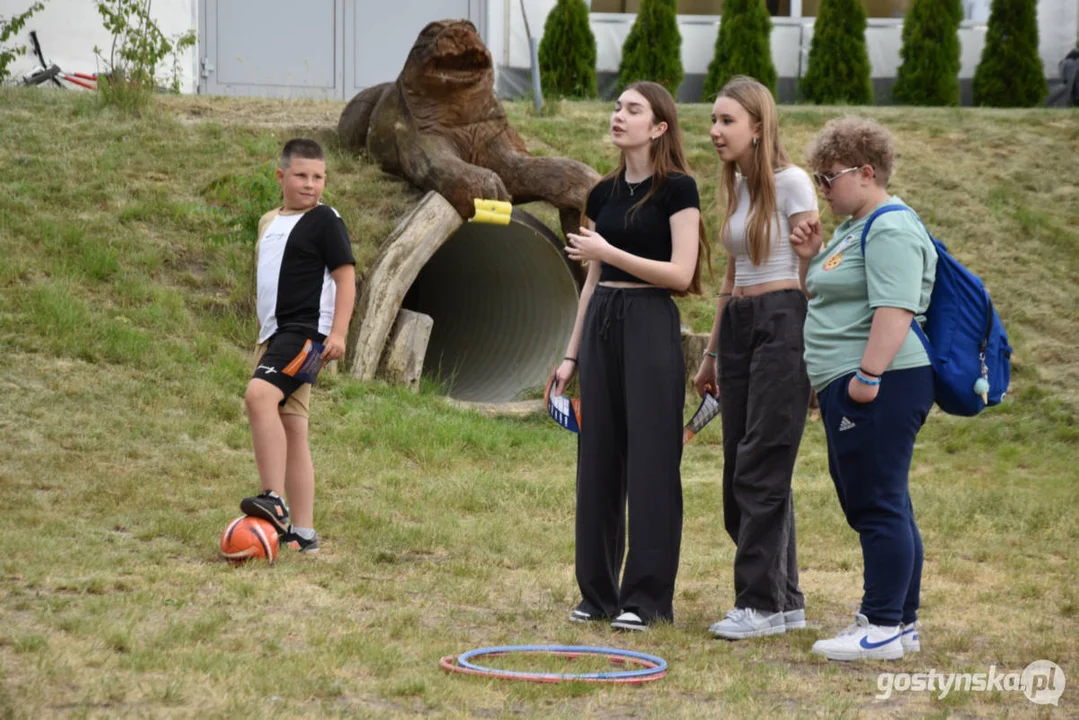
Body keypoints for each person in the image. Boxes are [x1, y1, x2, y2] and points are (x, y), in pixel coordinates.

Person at [554, 81, 708, 631]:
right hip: (601, 326)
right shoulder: (602, 193)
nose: (619, 115)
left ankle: (646, 599)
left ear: (659, 127)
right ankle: (597, 594)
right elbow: (591, 283)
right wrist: (570, 358)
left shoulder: (679, 190)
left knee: (651, 462)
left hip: (649, 323)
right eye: (617, 106)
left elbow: (681, 274)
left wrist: (609, 250)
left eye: (632, 109)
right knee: (597, 461)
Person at [790, 116, 937, 661]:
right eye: (818, 177)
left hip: (883, 381)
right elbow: (831, 300)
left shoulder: (891, 227)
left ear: (867, 172)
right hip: (857, 381)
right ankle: (901, 622)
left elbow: (895, 309)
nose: (822, 188)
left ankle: (880, 625)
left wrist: (867, 379)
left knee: (876, 504)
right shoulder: (857, 227)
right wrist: (810, 259)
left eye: (829, 177)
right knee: (888, 502)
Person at [692, 76, 818, 641]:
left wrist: (812, 347)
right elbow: (732, 277)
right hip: (741, 326)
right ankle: (785, 600)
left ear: (758, 127)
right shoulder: (739, 187)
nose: (715, 131)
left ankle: (758, 604)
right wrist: (712, 352)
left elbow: (807, 268)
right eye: (714, 121)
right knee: (739, 468)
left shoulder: (791, 183)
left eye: (727, 121)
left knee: (762, 464)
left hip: (783, 320)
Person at [239, 138, 356, 555]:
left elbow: (346, 278)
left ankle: (272, 497)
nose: (310, 184)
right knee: (292, 429)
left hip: (305, 334)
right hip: (273, 336)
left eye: (318, 177)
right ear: (281, 176)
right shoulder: (268, 220)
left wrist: (338, 333)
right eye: (302, 175)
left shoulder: (325, 219)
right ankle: (302, 534)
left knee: (259, 396)